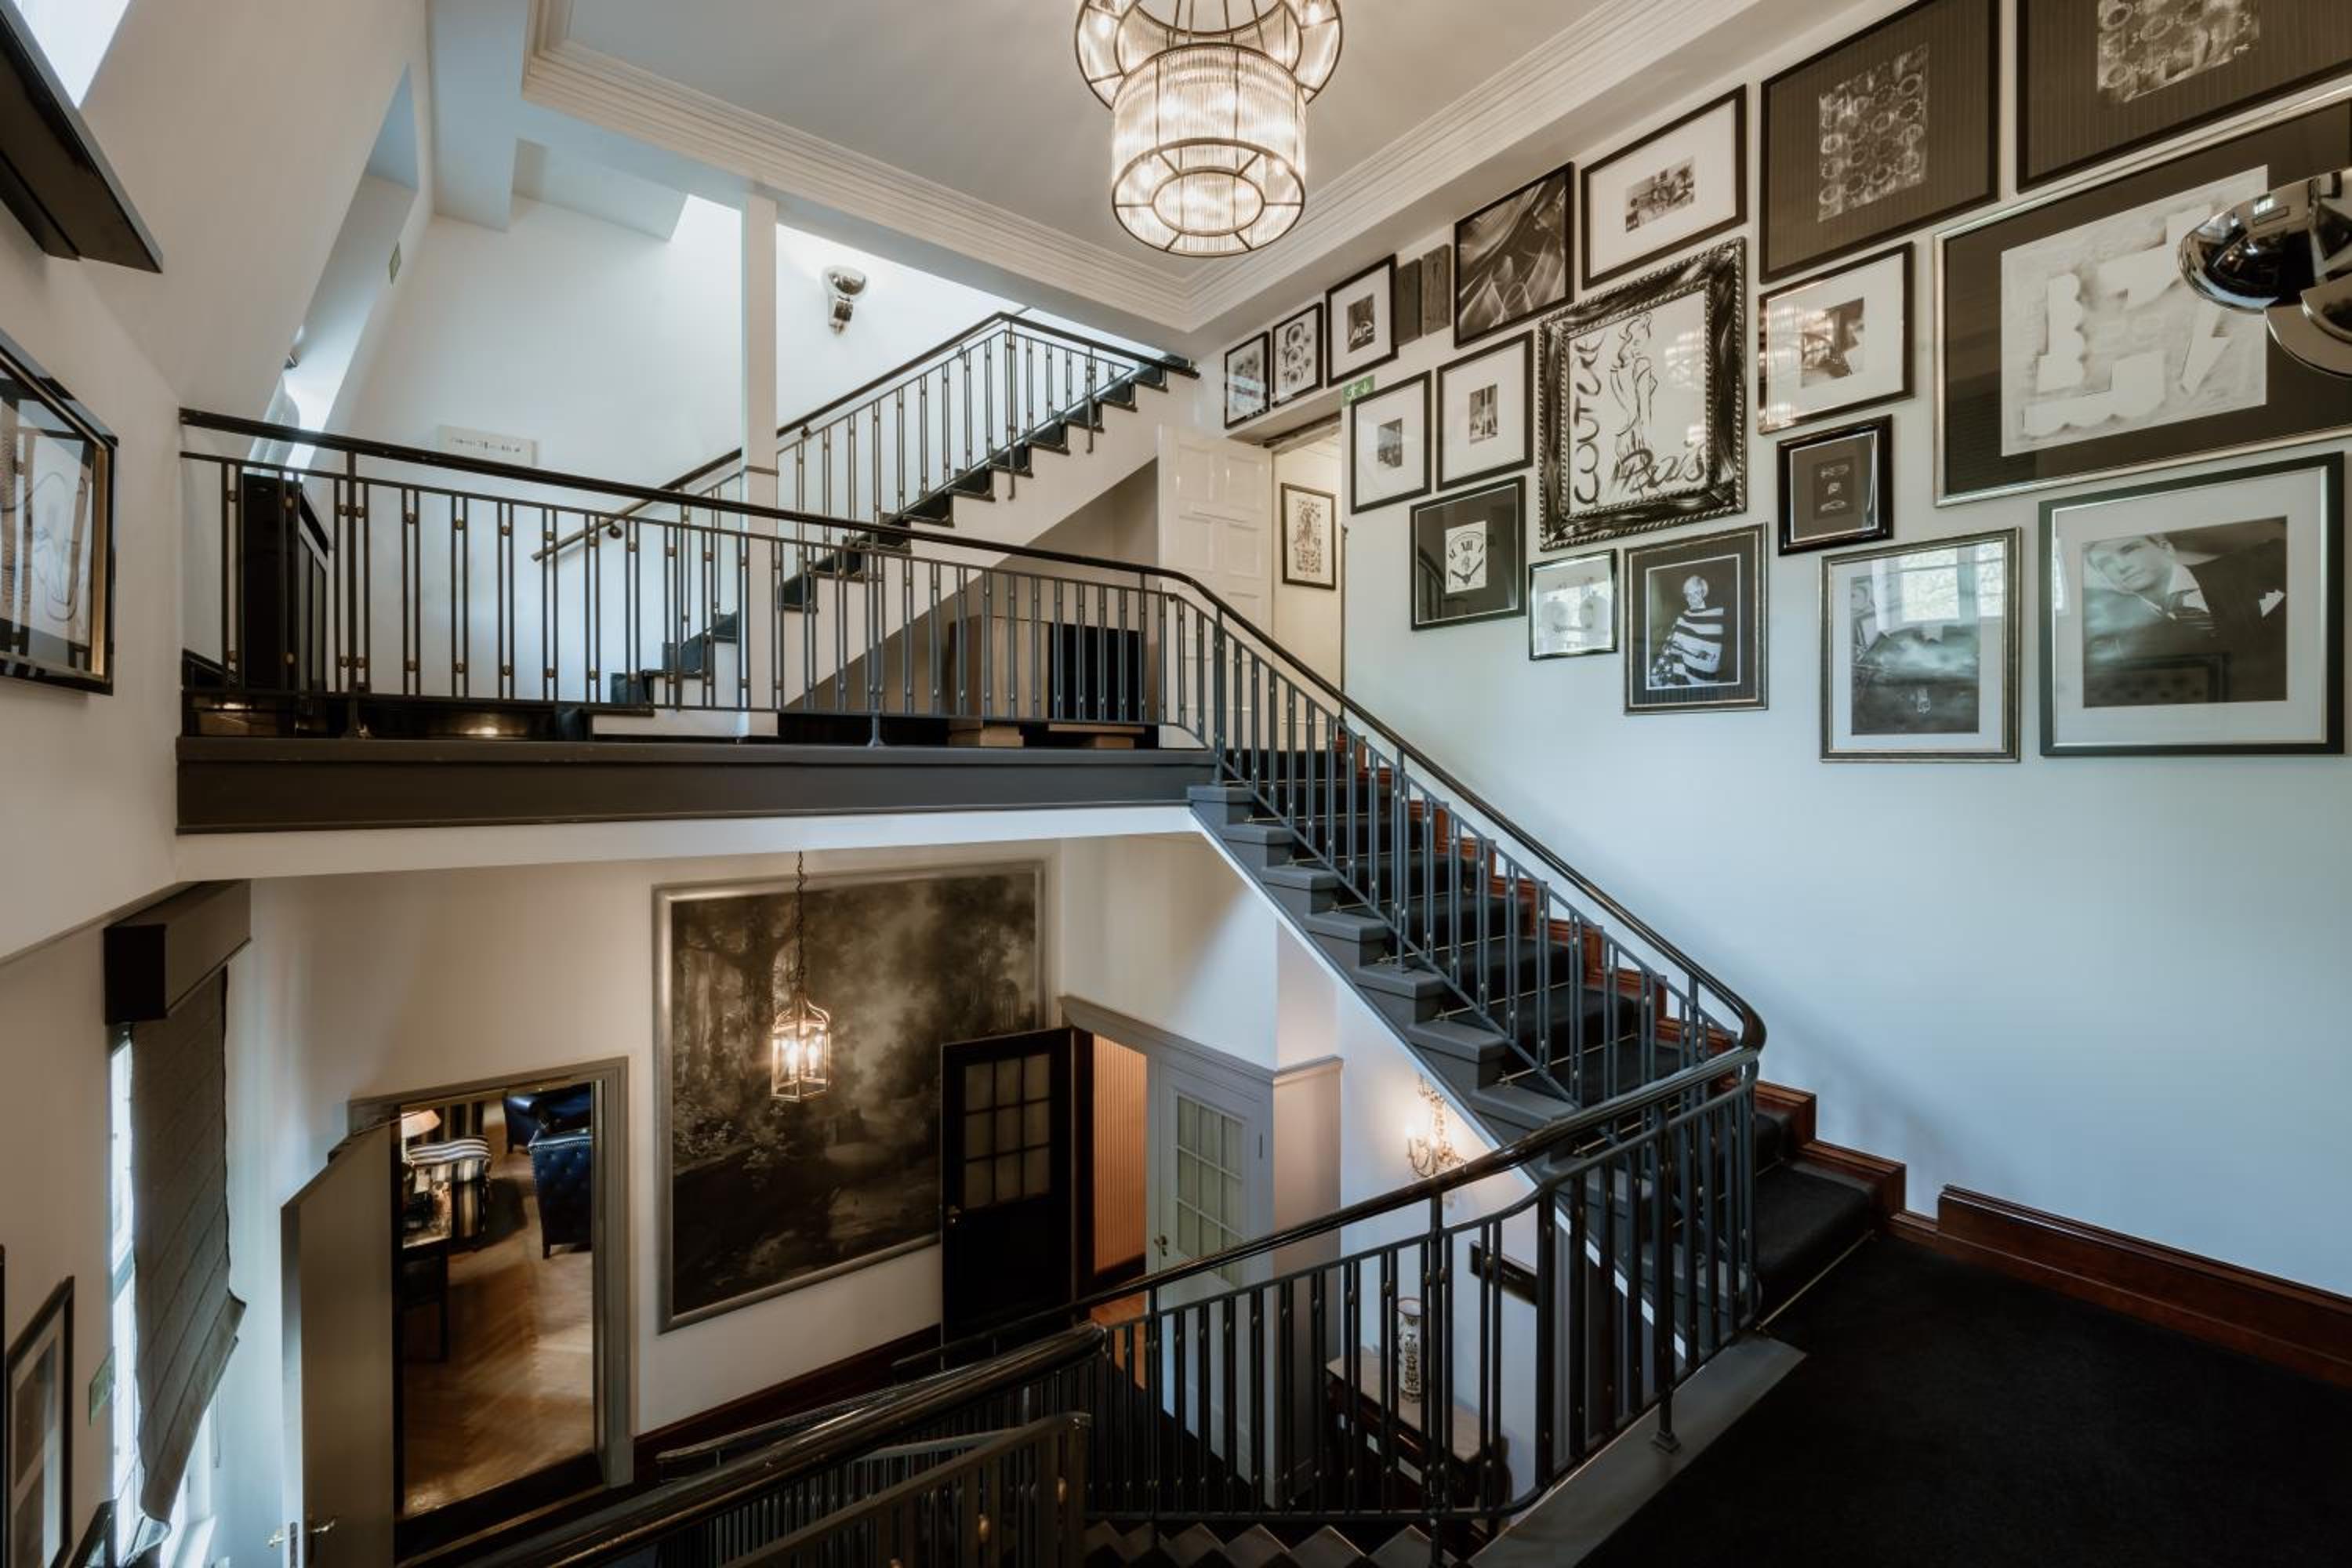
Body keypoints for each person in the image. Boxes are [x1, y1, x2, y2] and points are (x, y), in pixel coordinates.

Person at [2081, 528, 2286, 704]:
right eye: (2105, 563)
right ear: (2105, 579)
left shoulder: (2263, 561)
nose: (2121, 566)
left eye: (2130, 549)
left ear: (2166, 549)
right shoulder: (2123, 648)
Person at [1650, 571, 1725, 687]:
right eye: (1688, 595)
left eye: (1696, 593)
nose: (1692, 598)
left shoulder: (1715, 616)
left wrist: (1687, 649)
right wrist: (1675, 647)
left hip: (1701, 674)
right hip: (1680, 668)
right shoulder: (1683, 616)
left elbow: (1713, 653)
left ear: (1703, 593)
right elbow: (1672, 642)